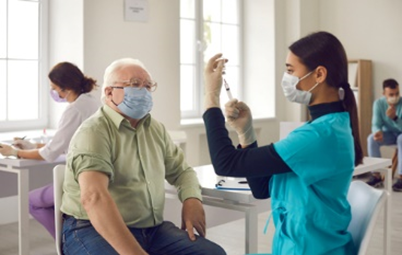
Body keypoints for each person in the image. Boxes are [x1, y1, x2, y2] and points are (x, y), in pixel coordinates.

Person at [203, 31, 363, 254]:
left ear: (319, 74)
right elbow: (261, 188)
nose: (286, 78)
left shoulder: (319, 136)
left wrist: (211, 97)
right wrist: (246, 133)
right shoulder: (325, 127)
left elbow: (225, 163)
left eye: (290, 70)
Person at [60, 58, 226, 255]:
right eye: (134, 85)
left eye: (148, 86)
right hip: (91, 227)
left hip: (151, 229)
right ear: (109, 92)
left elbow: (182, 171)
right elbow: (94, 198)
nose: (143, 91)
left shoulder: (155, 129)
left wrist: (191, 199)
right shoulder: (94, 132)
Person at [0, 62, 100, 238]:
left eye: (54, 88)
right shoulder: (91, 102)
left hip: (82, 179)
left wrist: (13, 152)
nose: (53, 92)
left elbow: (49, 154)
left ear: (66, 88)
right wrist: (32, 146)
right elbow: (66, 144)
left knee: (32, 201)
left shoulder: (74, 109)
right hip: (97, 174)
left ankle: (65, 242)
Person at [366, 78, 402, 191]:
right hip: (390, 135)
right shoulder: (379, 104)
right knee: (371, 139)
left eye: (397, 93)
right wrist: (377, 132)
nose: (394, 97)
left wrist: (395, 118)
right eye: (391, 94)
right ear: (384, 94)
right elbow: (376, 124)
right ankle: (376, 174)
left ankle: (401, 177)